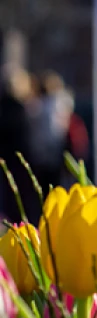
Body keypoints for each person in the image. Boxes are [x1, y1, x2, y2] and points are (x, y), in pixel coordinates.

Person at [0, 66, 38, 220]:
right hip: (18, 159)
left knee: (9, 196)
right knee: (20, 197)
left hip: (6, 158)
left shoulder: (4, 107)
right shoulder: (20, 109)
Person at [32, 71, 74, 194]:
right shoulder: (63, 104)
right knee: (57, 186)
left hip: (46, 153)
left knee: (47, 188)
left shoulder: (40, 106)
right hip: (57, 151)